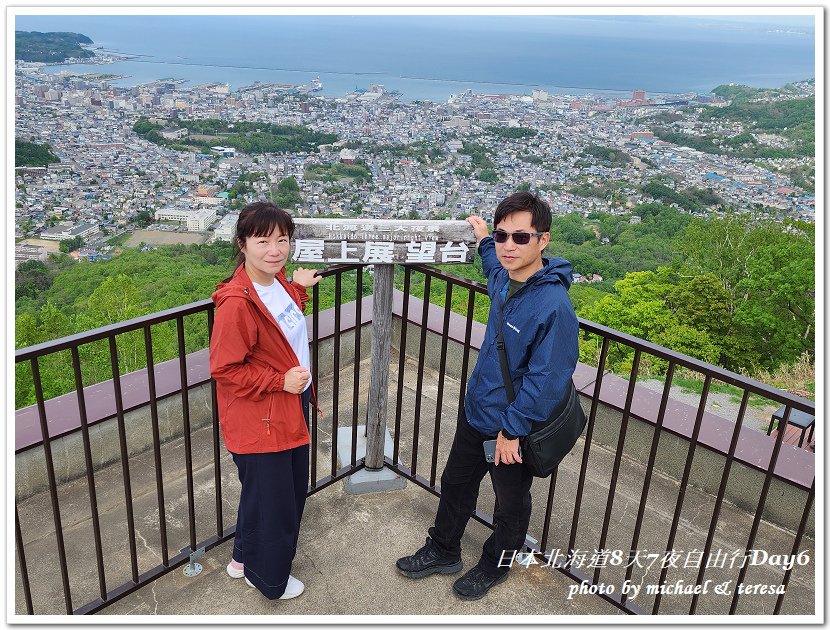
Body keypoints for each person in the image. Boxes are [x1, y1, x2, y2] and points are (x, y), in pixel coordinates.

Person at [396, 191, 579, 600]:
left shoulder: (553, 306)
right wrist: (482, 237)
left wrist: (512, 431)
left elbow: (547, 379)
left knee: (510, 503)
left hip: (511, 426)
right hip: (477, 409)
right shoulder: (502, 277)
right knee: (456, 482)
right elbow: (492, 260)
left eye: (521, 237)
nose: (509, 246)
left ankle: (495, 565)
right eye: (502, 235)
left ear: (543, 240)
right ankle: (443, 549)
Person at [210, 201, 321, 600]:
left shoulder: (276, 284)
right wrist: (280, 381)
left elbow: (278, 326)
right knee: (280, 505)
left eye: (282, 240)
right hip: (264, 419)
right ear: (242, 244)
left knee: (262, 494)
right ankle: (269, 580)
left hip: (286, 406)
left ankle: (242, 559)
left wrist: (299, 292)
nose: (275, 250)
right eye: (263, 241)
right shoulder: (237, 304)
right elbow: (225, 369)